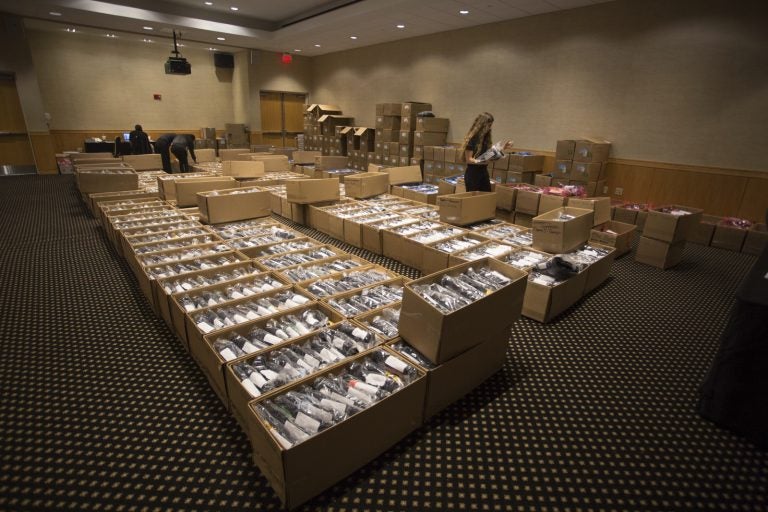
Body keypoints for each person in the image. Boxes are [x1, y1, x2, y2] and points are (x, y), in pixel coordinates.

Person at [460, 112, 513, 192]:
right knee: (473, 201)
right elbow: (469, 159)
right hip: (473, 174)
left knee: (486, 197)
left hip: (483, 172)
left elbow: (488, 155)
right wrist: (481, 161)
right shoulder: (472, 139)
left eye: (491, 125)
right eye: (488, 125)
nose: (490, 128)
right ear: (482, 125)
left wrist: (502, 148)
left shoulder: (485, 139)